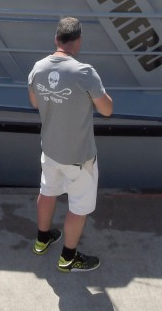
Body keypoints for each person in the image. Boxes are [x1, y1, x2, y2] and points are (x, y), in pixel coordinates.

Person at [27, 17, 113, 273]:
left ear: (56, 39)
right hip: (79, 157)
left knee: (47, 192)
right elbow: (107, 109)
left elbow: (34, 102)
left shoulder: (38, 67)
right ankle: (68, 257)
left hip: (50, 150)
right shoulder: (84, 72)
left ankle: (42, 240)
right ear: (78, 42)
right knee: (78, 207)